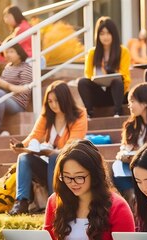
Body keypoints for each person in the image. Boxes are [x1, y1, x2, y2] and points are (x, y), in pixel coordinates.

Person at [0, 139, 135, 240]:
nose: (73, 183)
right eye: (67, 178)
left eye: (79, 177)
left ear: (95, 174)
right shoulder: (55, 202)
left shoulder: (117, 206)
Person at [8, 81, 88, 215]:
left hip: (68, 167)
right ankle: (21, 202)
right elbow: (35, 136)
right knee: (24, 158)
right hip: (47, 166)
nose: (53, 105)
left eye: (57, 101)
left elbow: (73, 145)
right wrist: (21, 146)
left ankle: (55, 202)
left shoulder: (79, 115)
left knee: (55, 155)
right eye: (50, 101)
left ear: (65, 99)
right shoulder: (47, 115)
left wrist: (53, 152)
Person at [77, 17, 131, 118]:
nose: (105, 37)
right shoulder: (92, 53)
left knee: (118, 81)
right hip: (100, 94)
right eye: (102, 34)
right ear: (98, 36)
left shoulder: (123, 51)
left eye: (108, 33)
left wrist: (110, 74)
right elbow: (88, 75)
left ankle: (117, 112)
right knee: (82, 82)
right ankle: (89, 113)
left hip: (116, 94)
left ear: (113, 34)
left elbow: (125, 77)